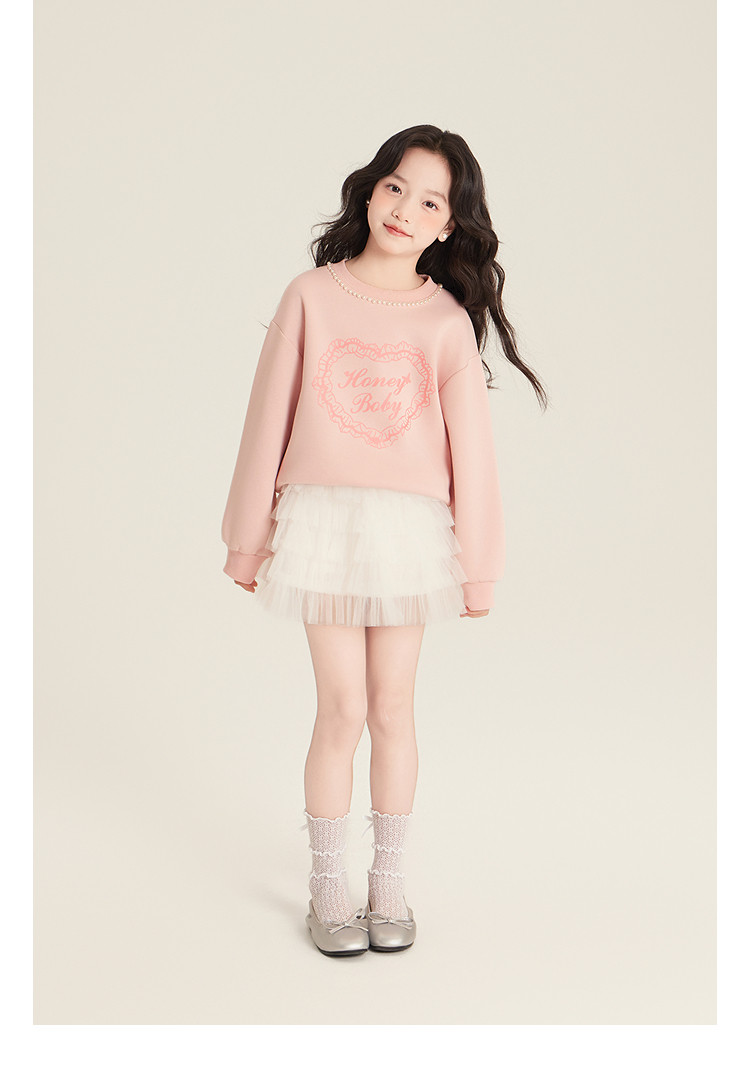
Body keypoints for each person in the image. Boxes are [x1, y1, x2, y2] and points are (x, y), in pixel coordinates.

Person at [220, 124, 548, 957]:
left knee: (394, 707)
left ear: (449, 225)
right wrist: (246, 541)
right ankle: (329, 887)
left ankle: (389, 884)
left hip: (408, 533)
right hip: (320, 526)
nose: (406, 209)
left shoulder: (445, 320)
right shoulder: (310, 295)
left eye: (431, 201)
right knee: (342, 707)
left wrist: (480, 570)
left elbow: (472, 456)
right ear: (370, 190)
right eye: (396, 187)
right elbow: (267, 419)